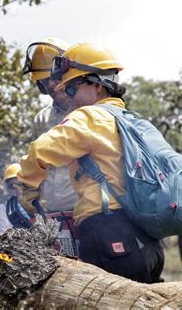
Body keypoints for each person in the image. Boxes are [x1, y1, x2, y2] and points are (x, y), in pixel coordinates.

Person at [17, 42, 164, 283]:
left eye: (72, 89)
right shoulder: (128, 118)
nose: (69, 97)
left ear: (97, 85)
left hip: (107, 232)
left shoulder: (88, 116)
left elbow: (38, 152)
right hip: (144, 237)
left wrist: (29, 190)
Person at [22, 38, 78, 212]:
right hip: (52, 211)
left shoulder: (89, 112)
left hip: (88, 210)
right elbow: (36, 166)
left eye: (55, 77)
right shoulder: (41, 119)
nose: (52, 85)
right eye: (45, 81)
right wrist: (32, 191)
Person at [0, 163, 30, 235]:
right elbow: (5, 237)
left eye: (21, 184)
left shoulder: (39, 206)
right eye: (12, 186)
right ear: (8, 188)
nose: (18, 189)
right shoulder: (3, 210)